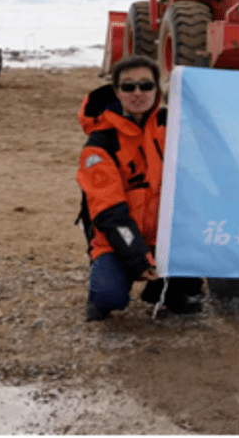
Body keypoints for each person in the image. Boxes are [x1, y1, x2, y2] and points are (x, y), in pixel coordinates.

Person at [76, 55, 204, 321]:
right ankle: (106, 284)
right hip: (116, 240)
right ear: (116, 91)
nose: (137, 93)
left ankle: (161, 289)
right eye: (128, 86)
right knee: (108, 297)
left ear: (157, 90)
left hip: (167, 240)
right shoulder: (100, 144)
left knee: (188, 300)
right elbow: (109, 211)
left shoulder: (173, 126)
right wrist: (137, 259)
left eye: (146, 86)